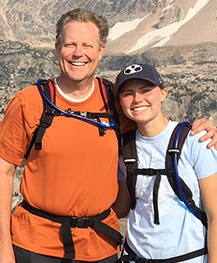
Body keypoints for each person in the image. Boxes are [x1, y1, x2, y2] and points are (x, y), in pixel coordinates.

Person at [0, 8, 216, 263]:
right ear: (58, 48)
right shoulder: (29, 102)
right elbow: (4, 170)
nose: (78, 53)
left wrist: (201, 128)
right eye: (70, 44)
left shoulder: (114, 100)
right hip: (35, 245)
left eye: (87, 45)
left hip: (100, 247)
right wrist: (3, 247)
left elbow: (151, 124)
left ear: (101, 51)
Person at [113, 63, 217, 263]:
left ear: (163, 93)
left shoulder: (195, 141)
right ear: (120, 101)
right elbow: (122, 208)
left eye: (145, 91)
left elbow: (215, 214)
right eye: (128, 93)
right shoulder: (125, 148)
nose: (137, 99)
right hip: (135, 256)